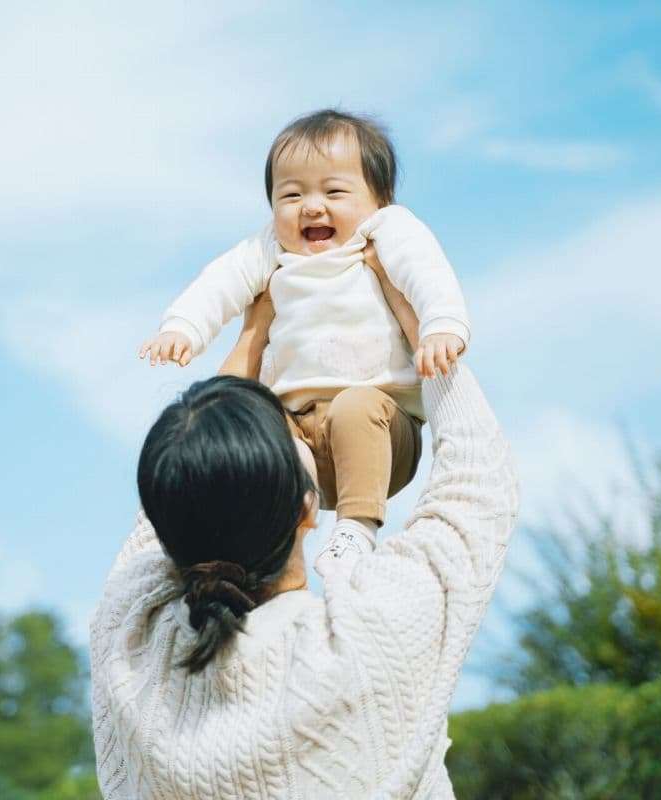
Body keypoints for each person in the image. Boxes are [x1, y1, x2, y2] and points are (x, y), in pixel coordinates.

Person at [90, 364, 517, 798]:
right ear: (307, 509)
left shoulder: (128, 649)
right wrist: (429, 332)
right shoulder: (368, 635)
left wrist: (240, 369)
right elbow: (478, 486)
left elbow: (180, 488)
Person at [138, 109, 471, 580]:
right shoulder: (273, 248)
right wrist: (184, 327)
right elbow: (221, 282)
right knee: (263, 428)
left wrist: (441, 326)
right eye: (291, 195)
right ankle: (283, 521)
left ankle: (356, 528)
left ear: (380, 201)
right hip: (300, 429)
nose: (312, 207)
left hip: (380, 430)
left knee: (357, 406)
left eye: (334, 191)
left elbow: (428, 272)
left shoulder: (385, 234)